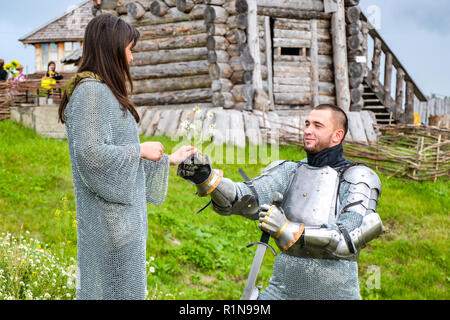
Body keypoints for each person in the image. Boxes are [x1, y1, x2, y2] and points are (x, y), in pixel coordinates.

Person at [178, 104, 384, 300]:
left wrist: (287, 229)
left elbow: (349, 240)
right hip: (282, 290)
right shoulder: (289, 171)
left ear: (337, 135)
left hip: (336, 293)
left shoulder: (359, 178)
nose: (308, 130)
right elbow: (245, 198)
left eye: (317, 126)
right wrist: (208, 179)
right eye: (307, 124)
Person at [58, 14, 198, 300]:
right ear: (112, 48)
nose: (131, 58)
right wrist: (140, 149)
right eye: (129, 49)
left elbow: (113, 150)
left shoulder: (102, 91)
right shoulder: (91, 93)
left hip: (118, 224)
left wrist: (166, 159)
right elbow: (91, 155)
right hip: (108, 226)